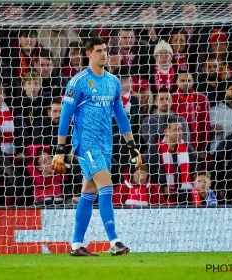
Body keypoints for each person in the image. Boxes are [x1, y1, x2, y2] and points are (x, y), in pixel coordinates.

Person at [51, 37, 142, 257]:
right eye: (99, 50)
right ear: (88, 53)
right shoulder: (78, 81)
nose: (104, 54)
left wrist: (132, 145)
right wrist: (60, 149)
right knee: (107, 187)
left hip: (105, 144)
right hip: (86, 144)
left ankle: (76, 245)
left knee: (89, 192)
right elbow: (65, 115)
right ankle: (115, 241)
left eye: (105, 50)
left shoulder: (113, 82)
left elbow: (120, 115)